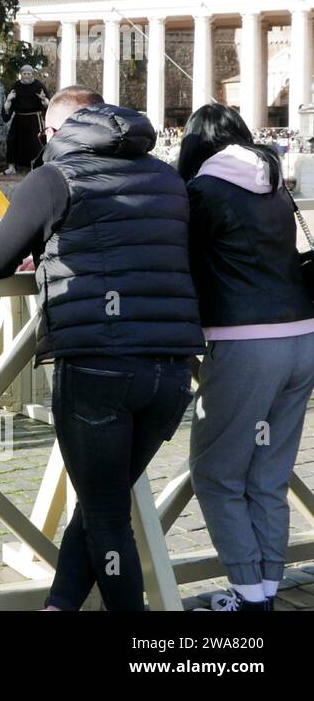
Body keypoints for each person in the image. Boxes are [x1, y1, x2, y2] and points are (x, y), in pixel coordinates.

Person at [0, 86, 204, 611]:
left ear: (56, 132)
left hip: (98, 364)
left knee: (105, 513)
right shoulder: (167, 176)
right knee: (103, 499)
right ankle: (61, 603)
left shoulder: (54, 177)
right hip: (171, 368)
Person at [178, 104, 314, 611]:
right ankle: (268, 590)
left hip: (246, 343)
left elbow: (179, 262)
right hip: (303, 337)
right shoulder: (275, 186)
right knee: (268, 476)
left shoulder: (202, 192)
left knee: (216, 473)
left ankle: (249, 598)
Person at [2, 65, 50, 175]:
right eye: (24, 74)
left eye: (28, 74)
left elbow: (47, 103)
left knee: (35, 142)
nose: (26, 76)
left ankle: (37, 167)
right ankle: (11, 167)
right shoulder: (16, 86)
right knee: (11, 140)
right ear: (21, 74)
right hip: (19, 118)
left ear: (32, 74)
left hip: (34, 119)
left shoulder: (39, 86)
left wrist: (43, 99)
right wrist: (8, 101)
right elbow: (9, 103)